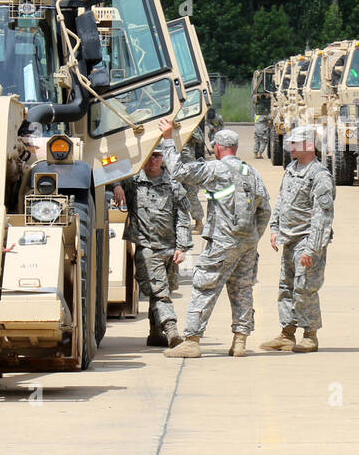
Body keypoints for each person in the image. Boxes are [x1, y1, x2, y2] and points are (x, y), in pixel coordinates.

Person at [157, 119, 271, 358]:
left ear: (218, 148)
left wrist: (168, 139)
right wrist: (253, 236)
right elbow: (265, 210)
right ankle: (240, 341)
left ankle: (192, 340)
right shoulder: (252, 172)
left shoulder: (215, 169)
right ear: (236, 148)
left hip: (221, 243)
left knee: (204, 287)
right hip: (247, 244)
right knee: (242, 290)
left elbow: (178, 171)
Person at [260, 125, 335, 354]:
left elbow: (321, 217)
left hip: (306, 240)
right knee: (286, 287)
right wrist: (274, 228)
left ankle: (310, 334)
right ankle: (287, 333)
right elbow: (282, 200)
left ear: (310, 146)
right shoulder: (292, 169)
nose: (290, 146)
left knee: (304, 289)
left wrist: (311, 250)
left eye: (295, 143)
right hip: (289, 239)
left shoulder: (320, 176)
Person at [114, 147, 192, 348]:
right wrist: (116, 185)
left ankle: (155, 333)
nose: (153, 160)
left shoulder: (174, 185)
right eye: (149, 155)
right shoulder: (132, 182)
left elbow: (182, 218)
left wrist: (182, 247)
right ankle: (172, 330)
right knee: (160, 293)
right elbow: (109, 167)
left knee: (162, 290)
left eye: (157, 155)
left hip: (170, 249)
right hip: (147, 248)